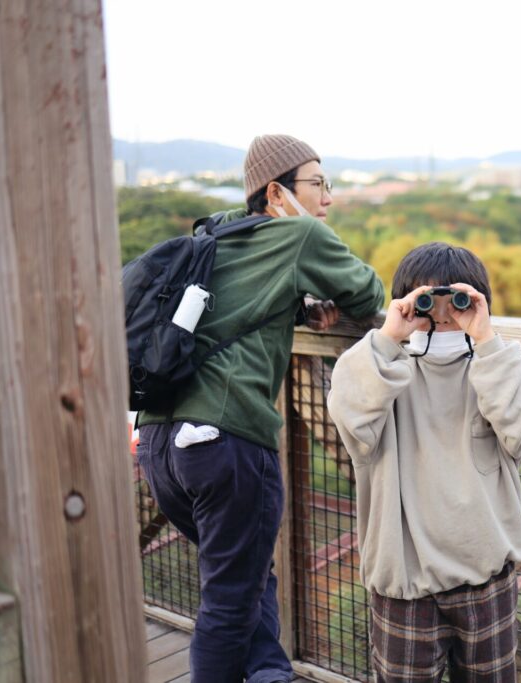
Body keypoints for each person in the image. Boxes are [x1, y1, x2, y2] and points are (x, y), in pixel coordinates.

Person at [136, 134, 385, 683]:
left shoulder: (213, 233)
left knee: (247, 576)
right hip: (224, 441)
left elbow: (233, 307)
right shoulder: (299, 235)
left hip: (159, 446)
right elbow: (370, 294)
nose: (328, 197)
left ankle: (270, 673)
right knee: (228, 602)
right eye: (318, 183)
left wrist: (296, 305)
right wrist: (315, 293)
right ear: (276, 193)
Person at [327, 242, 521, 682]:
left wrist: (485, 339)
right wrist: (388, 338)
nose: (443, 315)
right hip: (405, 584)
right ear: (406, 303)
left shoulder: (496, 365)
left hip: (485, 576)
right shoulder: (383, 371)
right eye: (427, 301)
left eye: (459, 302)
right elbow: (351, 418)